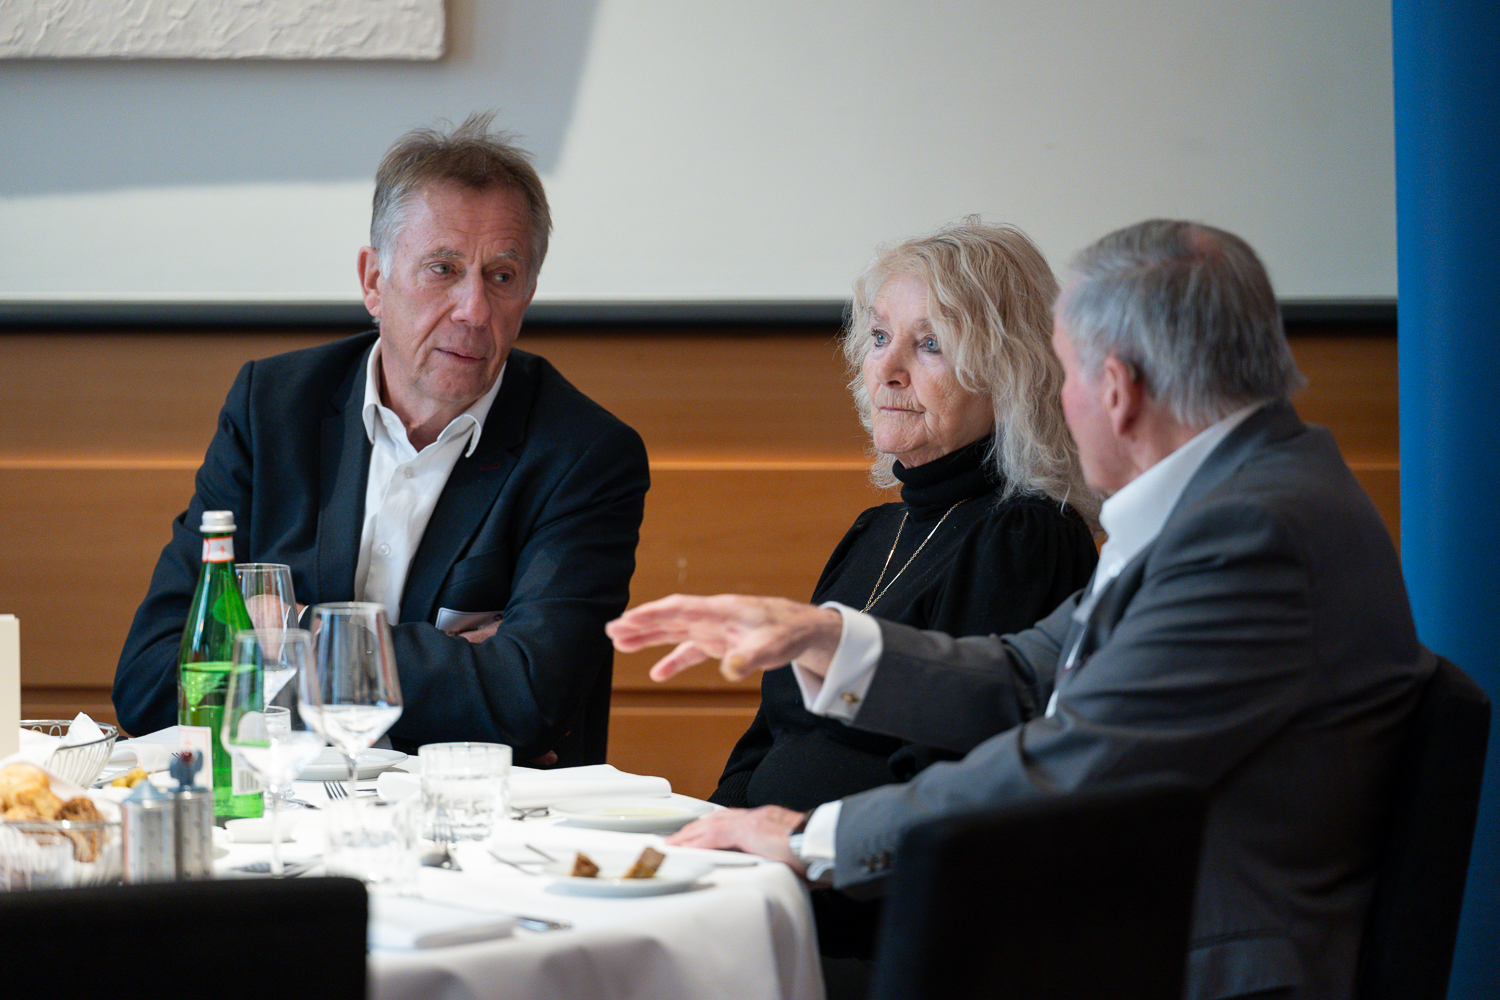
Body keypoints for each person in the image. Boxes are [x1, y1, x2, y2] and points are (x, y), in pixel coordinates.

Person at [607, 219, 1431, 1000]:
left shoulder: (1250, 534)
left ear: (1116, 390)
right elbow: (1030, 672)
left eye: (1063, 372)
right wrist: (827, 635)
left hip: (1176, 967)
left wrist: (805, 841)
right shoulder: (1243, 497)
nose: (1054, 399)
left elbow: (1070, 769)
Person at [115, 112, 650, 766]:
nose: (473, 310)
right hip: (281, 802)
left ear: (529, 294)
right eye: (443, 269)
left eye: (502, 277)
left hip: (471, 815)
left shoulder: (584, 455)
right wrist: (455, 665)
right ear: (373, 282)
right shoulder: (273, 409)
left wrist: (287, 633)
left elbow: (527, 701)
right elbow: (150, 679)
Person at [711, 220, 1099, 968]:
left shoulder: (1025, 534)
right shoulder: (873, 531)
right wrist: (705, 844)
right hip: (774, 891)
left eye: (930, 345)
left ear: (1009, 372)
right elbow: (771, 734)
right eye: (880, 337)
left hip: (877, 923)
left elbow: (955, 784)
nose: (886, 369)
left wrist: (781, 865)